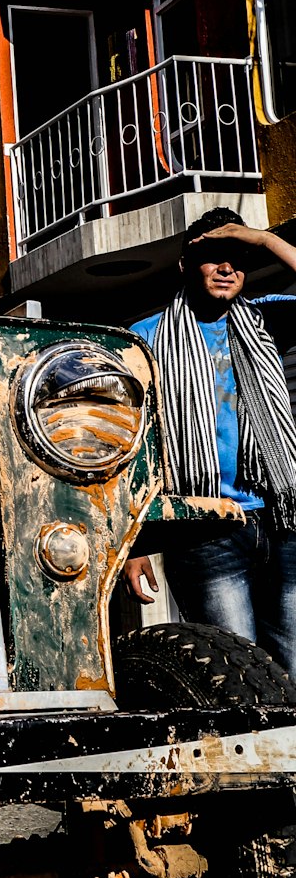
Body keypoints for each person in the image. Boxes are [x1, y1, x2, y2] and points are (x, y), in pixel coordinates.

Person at [124, 207, 296, 676]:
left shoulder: (265, 320)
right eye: (212, 257)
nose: (227, 269)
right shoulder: (145, 338)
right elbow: (135, 444)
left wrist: (261, 239)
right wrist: (134, 542)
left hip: (281, 520)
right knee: (239, 677)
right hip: (203, 528)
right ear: (183, 265)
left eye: (237, 258)